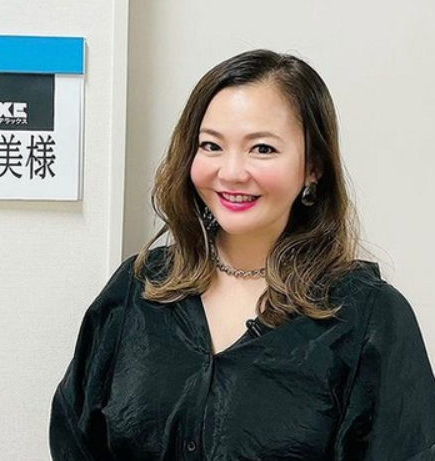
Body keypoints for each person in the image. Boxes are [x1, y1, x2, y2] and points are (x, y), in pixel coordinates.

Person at [49, 49, 435, 460]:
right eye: (211, 145)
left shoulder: (369, 316)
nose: (231, 172)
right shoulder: (138, 287)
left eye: (262, 149)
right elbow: (75, 438)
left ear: (313, 167)